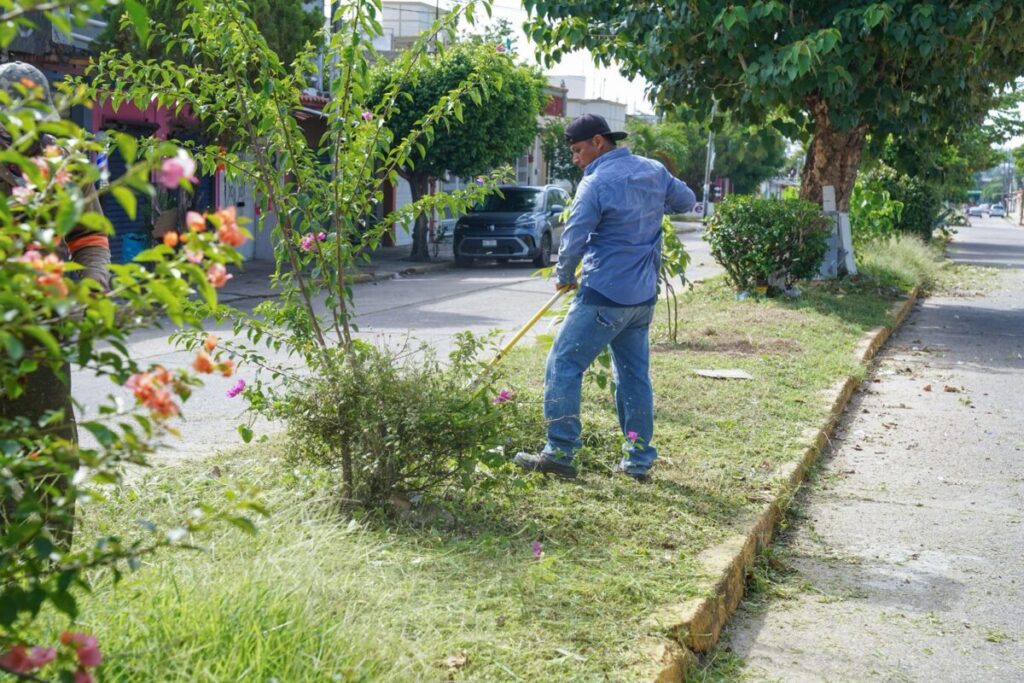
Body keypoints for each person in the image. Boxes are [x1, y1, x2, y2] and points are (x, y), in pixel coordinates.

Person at [513, 113, 695, 482]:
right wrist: (651, 209)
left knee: (563, 365)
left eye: (579, 151)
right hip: (641, 298)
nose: (576, 159)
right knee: (633, 376)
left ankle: (560, 452)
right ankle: (638, 460)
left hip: (603, 296)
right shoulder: (654, 171)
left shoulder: (594, 182)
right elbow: (687, 201)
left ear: (599, 142)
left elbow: (574, 237)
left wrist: (564, 277)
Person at [0, 61, 110, 547]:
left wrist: (91, 288)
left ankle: (48, 549)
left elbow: (89, 236)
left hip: (40, 328)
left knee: (50, 444)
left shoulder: (65, 164)